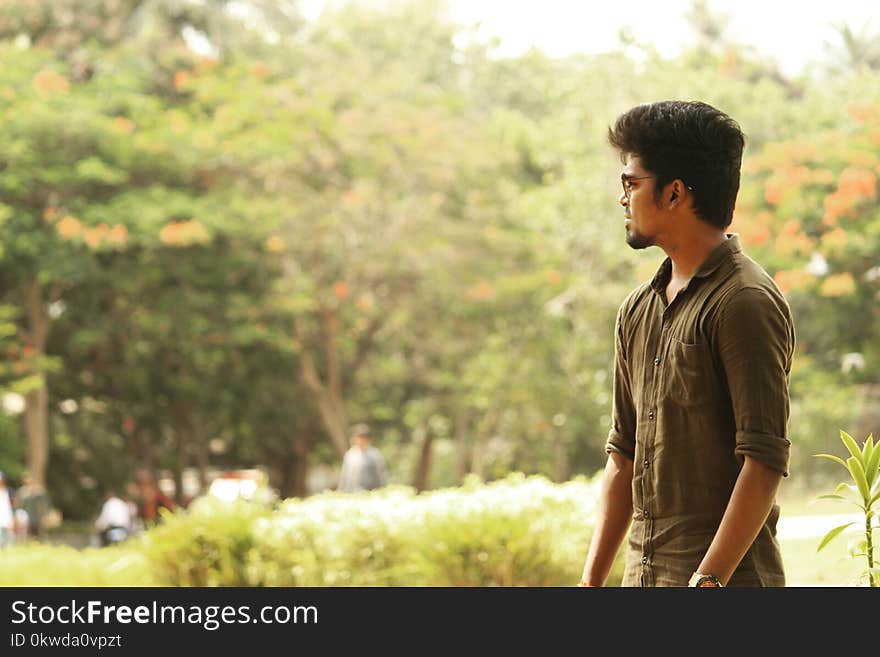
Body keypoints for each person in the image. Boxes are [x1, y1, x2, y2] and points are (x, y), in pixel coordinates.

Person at [579, 101, 795, 588]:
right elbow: (623, 457)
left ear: (674, 193)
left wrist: (706, 583)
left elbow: (763, 463)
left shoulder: (744, 301)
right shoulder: (637, 310)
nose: (623, 199)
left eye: (630, 183)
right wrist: (590, 583)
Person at [337, 423, 388, 493]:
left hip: (371, 493)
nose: (360, 440)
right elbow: (344, 477)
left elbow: (381, 476)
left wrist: (381, 491)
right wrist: (341, 491)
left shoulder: (375, 455)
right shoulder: (350, 455)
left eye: (363, 438)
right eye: (359, 437)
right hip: (352, 494)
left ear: (368, 439)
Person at [15, 471, 51, 541]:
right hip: (26, 518)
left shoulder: (40, 491)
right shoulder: (21, 492)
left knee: (40, 536)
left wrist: (45, 516)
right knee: (27, 536)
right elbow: (18, 506)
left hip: (38, 517)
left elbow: (45, 504)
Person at [0, 471, 14, 548]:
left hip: (8, 518)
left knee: (9, 539)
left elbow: (13, 506)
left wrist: (14, 519)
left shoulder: (9, 491)